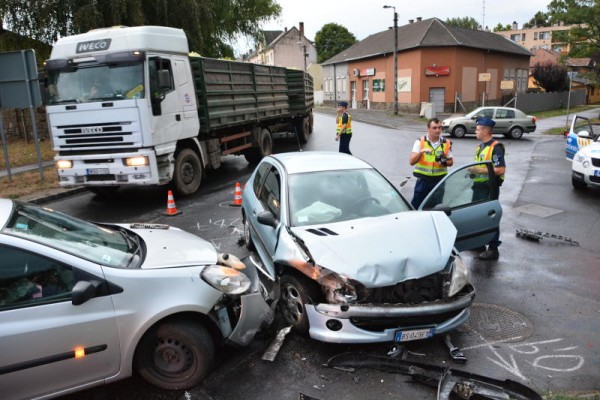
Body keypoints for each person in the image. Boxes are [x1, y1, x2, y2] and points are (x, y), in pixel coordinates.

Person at [470, 116, 506, 260]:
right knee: (478, 216)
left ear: (485, 131)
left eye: (478, 130)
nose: (475, 132)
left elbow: (500, 169)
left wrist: (477, 170)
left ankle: (493, 248)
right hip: (478, 187)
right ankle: (479, 244)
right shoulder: (481, 147)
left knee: (490, 217)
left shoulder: (495, 147)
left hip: (489, 188)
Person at [409, 118, 453, 208]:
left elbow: (451, 162)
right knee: (418, 206)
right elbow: (412, 162)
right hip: (423, 181)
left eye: (439, 128)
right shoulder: (420, 142)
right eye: (434, 128)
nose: (438, 130)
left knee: (436, 207)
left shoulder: (446, 143)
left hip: (439, 181)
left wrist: (444, 163)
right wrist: (421, 152)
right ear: (428, 129)